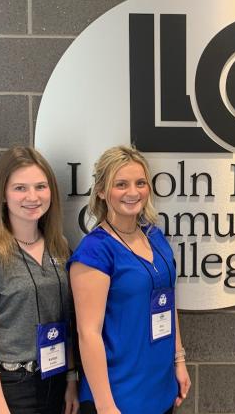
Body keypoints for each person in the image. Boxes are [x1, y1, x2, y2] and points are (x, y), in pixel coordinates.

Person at [68, 145, 191, 413]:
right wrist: (105, 405)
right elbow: (88, 333)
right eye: (120, 184)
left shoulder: (154, 236)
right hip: (118, 395)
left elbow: (167, 303)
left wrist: (179, 361)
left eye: (140, 183)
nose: (133, 192)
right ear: (101, 190)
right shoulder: (95, 250)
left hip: (160, 387)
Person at [0, 147, 79, 414]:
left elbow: (65, 320)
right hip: (8, 387)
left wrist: (71, 377)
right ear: (3, 195)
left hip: (53, 379)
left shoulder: (59, 247)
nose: (32, 197)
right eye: (20, 188)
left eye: (40, 186)